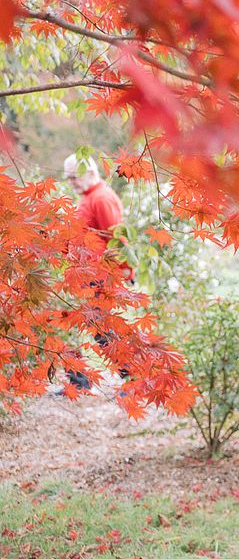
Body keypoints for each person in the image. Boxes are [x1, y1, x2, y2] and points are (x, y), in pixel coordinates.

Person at [58, 153, 125, 392]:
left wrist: (124, 271)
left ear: (89, 173)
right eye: (68, 178)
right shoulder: (88, 198)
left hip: (99, 278)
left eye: (74, 177)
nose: (72, 183)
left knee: (103, 331)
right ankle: (78, 383)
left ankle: (133, 379)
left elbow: (117, 238)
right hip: (82, 277)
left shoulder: (101, 198)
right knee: (68, 323)